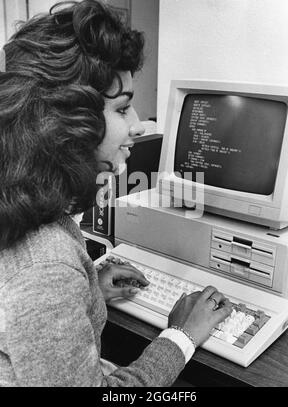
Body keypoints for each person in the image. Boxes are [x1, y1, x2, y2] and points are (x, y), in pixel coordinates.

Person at [0, 0, 232, 387]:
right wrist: (181, 336)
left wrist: (89, 288)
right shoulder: (47, 267)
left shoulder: (28, 205)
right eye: (123, 109)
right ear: (68, 122)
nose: (139, 125)